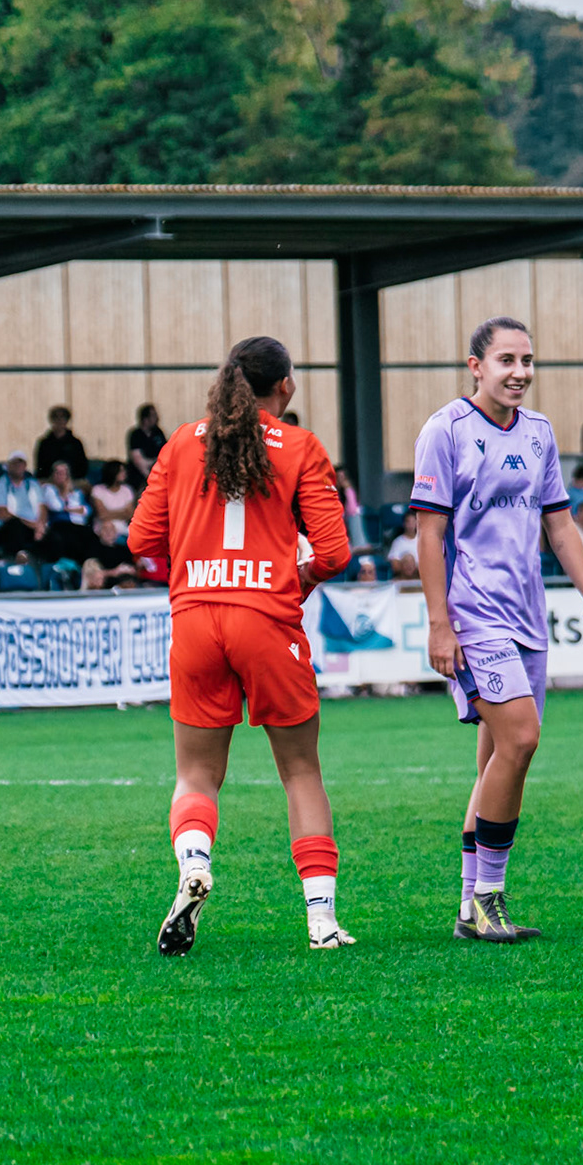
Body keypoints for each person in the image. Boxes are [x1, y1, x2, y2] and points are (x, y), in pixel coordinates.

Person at [127, 335, 355, 956]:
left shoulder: (180, 442)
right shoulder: (301, 446)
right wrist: (297, 576)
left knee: (196, 774)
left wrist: (198, 559)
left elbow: (140, 539)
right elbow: (334, 553)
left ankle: (194, 867)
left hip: (197, 619)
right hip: (267, 621)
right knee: (301, 771)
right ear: (284, 386)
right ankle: (321, 922)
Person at [411, 316, 583, 944]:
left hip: (527, 615)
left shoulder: (540, 433)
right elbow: (430, 535)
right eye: (506, 360)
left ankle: (471, 906)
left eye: (527, 360)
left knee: (499, 758)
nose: (520, 372)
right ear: (475, 365)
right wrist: (440, 625)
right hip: (475, 616)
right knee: (521, 740)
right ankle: (488, 897)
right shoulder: (445, 432)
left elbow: (560, 525)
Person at [38, 460, 97, 564]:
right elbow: (56, 506)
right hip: (60, 525)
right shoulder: (48, 489)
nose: (60, 476)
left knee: (90, 537)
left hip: (79, 525)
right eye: (57, 472)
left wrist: (69, 508)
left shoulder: (77, 492)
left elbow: (87, 510)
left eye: (63, 473)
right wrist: (66, 494)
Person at [0, 451, 44, 558]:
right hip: (8, 527)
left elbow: (42, 507)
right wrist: (30, 524)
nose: (18, 466)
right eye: (14, 463)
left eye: (21, 463)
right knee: (16, 526)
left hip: (32, 526)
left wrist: (40, 526)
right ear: (8, 466)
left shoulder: (33, 485)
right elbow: (2, 513)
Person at [36, 406, 89, 482]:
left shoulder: (75, 443)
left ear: (67, 420)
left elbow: (82, 466)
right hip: (50, 481)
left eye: (62, 417)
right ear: (52, 420)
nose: (59, 420)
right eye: (56, 417)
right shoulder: (44, 443)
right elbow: (40, 467)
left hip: (72, 481)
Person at [91, 461, 136, 537]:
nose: (124, 474)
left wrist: (109, 513)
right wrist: (122, 513)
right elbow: (102, 515)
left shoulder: (127, 490)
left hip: (123, 529)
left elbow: (130, 514)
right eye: (121, 471)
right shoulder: (97, 490)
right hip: (103, 528)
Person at [127, 404, 167, 490]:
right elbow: (138, 461)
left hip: (158, 471)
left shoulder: (158, 432)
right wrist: (151, 479)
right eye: (153, 415)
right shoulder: (136, 435)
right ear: (145, 419)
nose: (157, 418)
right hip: (140, 476)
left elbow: (166, 452)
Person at [387, 509, 422, 579]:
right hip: (402, 578)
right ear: (404, 523)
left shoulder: (422, 540)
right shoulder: (397, 542)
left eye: (413, 521)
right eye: (408, 522)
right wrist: (409, 566)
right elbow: (395, 566)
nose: (410, 525)